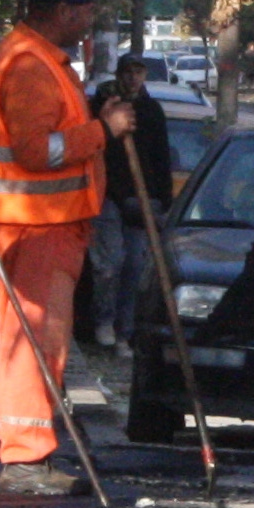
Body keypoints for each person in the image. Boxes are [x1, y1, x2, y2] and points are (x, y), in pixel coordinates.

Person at [0, 0, 133, 495]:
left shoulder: (39, 60)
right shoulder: (29, 66)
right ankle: (25, 457)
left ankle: (30, 451)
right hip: (37, 225)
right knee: (35, 341)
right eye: (86, 9)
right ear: (64, 11)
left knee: (41, 340)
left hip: (45, 224)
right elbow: (37, 151)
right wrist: (103, 131)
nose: (90, 19)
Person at [89, 54, 173, 352]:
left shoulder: (151, 110)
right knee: (110, 263)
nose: (132, 77)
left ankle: (125, 332)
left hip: (142, 198)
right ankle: (104, 321)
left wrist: (163, 199)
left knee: (135, 267)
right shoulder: (105, 106)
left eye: (138, 71)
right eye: (127, 72)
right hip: (108, 194)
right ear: (119, 74)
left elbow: (161, 156)